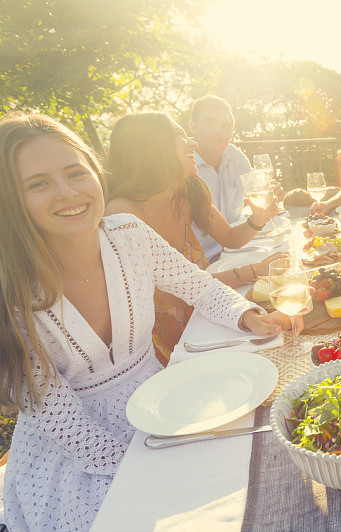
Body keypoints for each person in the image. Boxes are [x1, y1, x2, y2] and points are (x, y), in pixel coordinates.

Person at [0, 113, 292, 531]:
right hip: (78, 452)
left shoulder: (127, 233)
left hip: (163, 397)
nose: (67, 193)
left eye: (74, 172)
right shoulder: (9, 291)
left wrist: (247, 315)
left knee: (263, 465)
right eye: (38, 184)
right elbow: (63, 422)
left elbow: (200, 286)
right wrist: (146, 470)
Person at [105, 112, 285, 365]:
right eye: (178, 135)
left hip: (212, 312)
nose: (193, 143)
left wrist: (257, 218)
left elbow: (231, 238)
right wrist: (254, 270)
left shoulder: (188, 190)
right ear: (150, 147)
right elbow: (174, 292)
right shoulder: (121, 214)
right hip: (170, 345)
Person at [189, 95, 283, 261]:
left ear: (232, 133)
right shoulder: (185, 167)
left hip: (238, 249)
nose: (218, 130)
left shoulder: (234, 155)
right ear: (193, 127)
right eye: (210, 122)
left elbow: (257, 188)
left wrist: (270, 195)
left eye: (225, 125)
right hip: (204, 262)